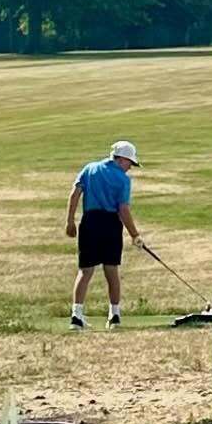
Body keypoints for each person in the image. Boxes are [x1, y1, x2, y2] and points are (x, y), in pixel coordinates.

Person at [65, 140, 145, 329]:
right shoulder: (123, 180)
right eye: (130, 164)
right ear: (121, 159)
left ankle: (76, 316)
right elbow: (123, 210)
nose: (130, 168)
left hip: (89, 222)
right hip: (110, 224)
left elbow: (75, 194)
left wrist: (70, 221)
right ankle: (114, 316)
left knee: (85, 271)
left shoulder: (90, 168)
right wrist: (135, 235)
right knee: (111, 270)